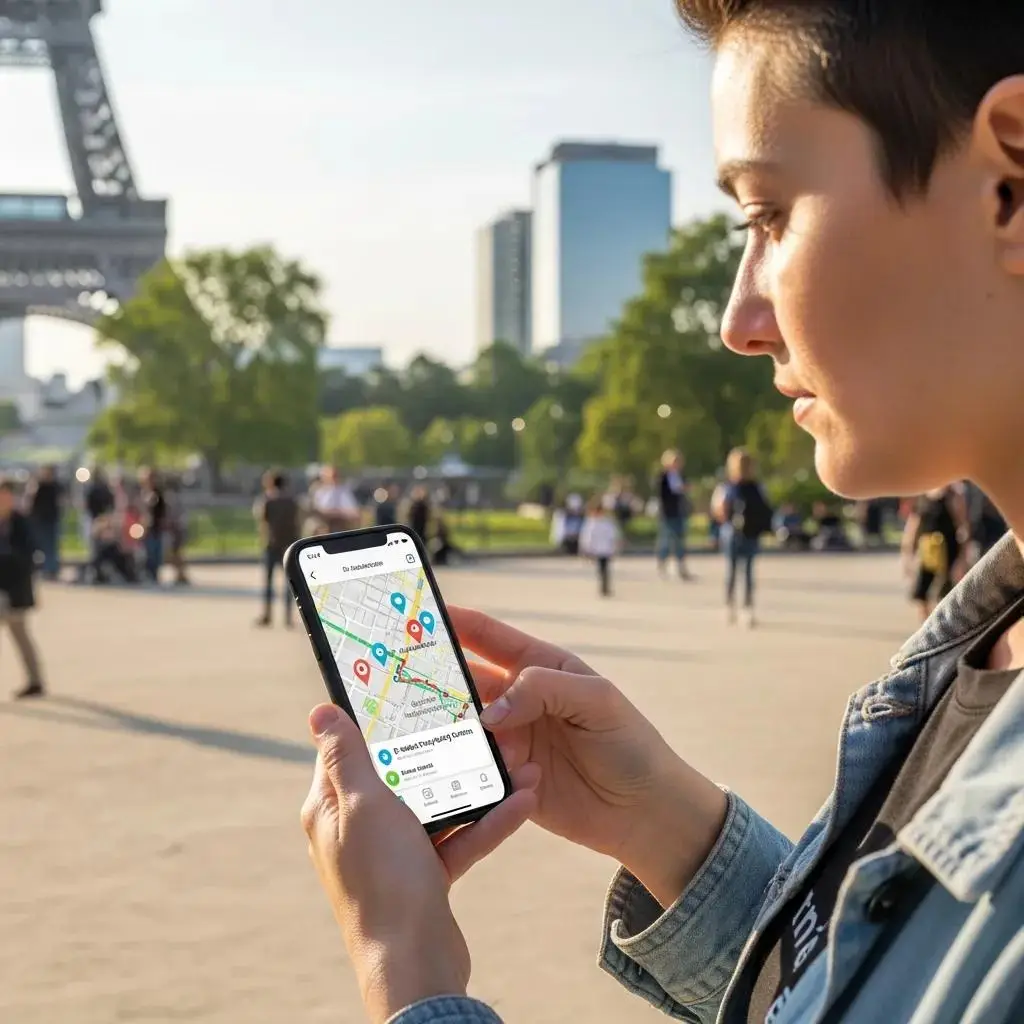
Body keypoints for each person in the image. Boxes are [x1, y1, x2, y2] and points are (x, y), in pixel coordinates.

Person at [299, 4, 1024, 1024]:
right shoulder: (987, 643)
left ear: (1011, 182)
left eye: (766, 216)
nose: (736, 320)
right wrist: (669, 825)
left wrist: (409, 976)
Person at [712, 447, 773, 627]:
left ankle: (730, 606)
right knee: (746, 572)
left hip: (733, 531)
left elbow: (718, 511)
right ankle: (746, 608)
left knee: (732, 571)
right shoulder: (758, 487)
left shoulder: (726, 487)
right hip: (750, 533)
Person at [0, 479, 46, 698]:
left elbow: (27, 556)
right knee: (21, 635)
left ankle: (35, 681)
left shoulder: (20, 523)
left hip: (14, 589)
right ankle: (35, 680)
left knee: (20, 634)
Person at [901, 485, 971, 622]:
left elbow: (963, 526)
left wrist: (962, 558)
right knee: (921, 591)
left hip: (949, 549)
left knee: (946, 592)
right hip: (927, 550)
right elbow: (913, 525)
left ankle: (943, 626)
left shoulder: (954, 494)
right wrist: (907, 553)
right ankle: (928, 626)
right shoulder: (922, 495)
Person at [253, 471, 300, 628]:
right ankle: (288, 617)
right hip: (288, 544)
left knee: (268, 583)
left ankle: (267, 615)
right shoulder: (293, 501)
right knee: (288, 583)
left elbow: (261, 519)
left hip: (271, 544)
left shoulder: (267, 500)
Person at [655, 449, 693, 579]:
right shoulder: (663, 477)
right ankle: (662, 564)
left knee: (680, 540)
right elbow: (662, 494)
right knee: (666, 539)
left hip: (679, 511)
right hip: (667, 512)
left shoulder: (681, 476)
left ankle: (681, 567)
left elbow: (685, 489)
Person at [26, 464, 63, 580]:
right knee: (45, 544)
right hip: (43, 518)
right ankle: (49, 567)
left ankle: (50, 568)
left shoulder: (50, 487)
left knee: (49, 544)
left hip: (47, 518)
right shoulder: (48, 486)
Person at [579, 495, 621, 597]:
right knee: (601, 569)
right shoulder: (591, 523)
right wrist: (586, 549)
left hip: (606, 549)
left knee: (605, 569)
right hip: (597, 550)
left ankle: (605, 587)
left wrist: (615, 545)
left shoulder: (607, 522)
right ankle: (603, 587)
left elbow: (613, 535)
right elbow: (587, 537)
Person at [310, 466, 360, 534]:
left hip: (342, 524)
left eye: (335, 476)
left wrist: (336, 512)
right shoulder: (320, 492)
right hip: (324, 524)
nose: (333, 479)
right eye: (330, 477)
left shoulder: (344, 491)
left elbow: (354, 512)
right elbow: (318, 510)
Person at [138, 467, 167, 583]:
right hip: (147, 527)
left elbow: (159, 511)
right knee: (147, 551)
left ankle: (154, 574)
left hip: (155, 527)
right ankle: (148, 573)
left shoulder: (157, 493)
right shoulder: (144, 493)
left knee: (155, 552)